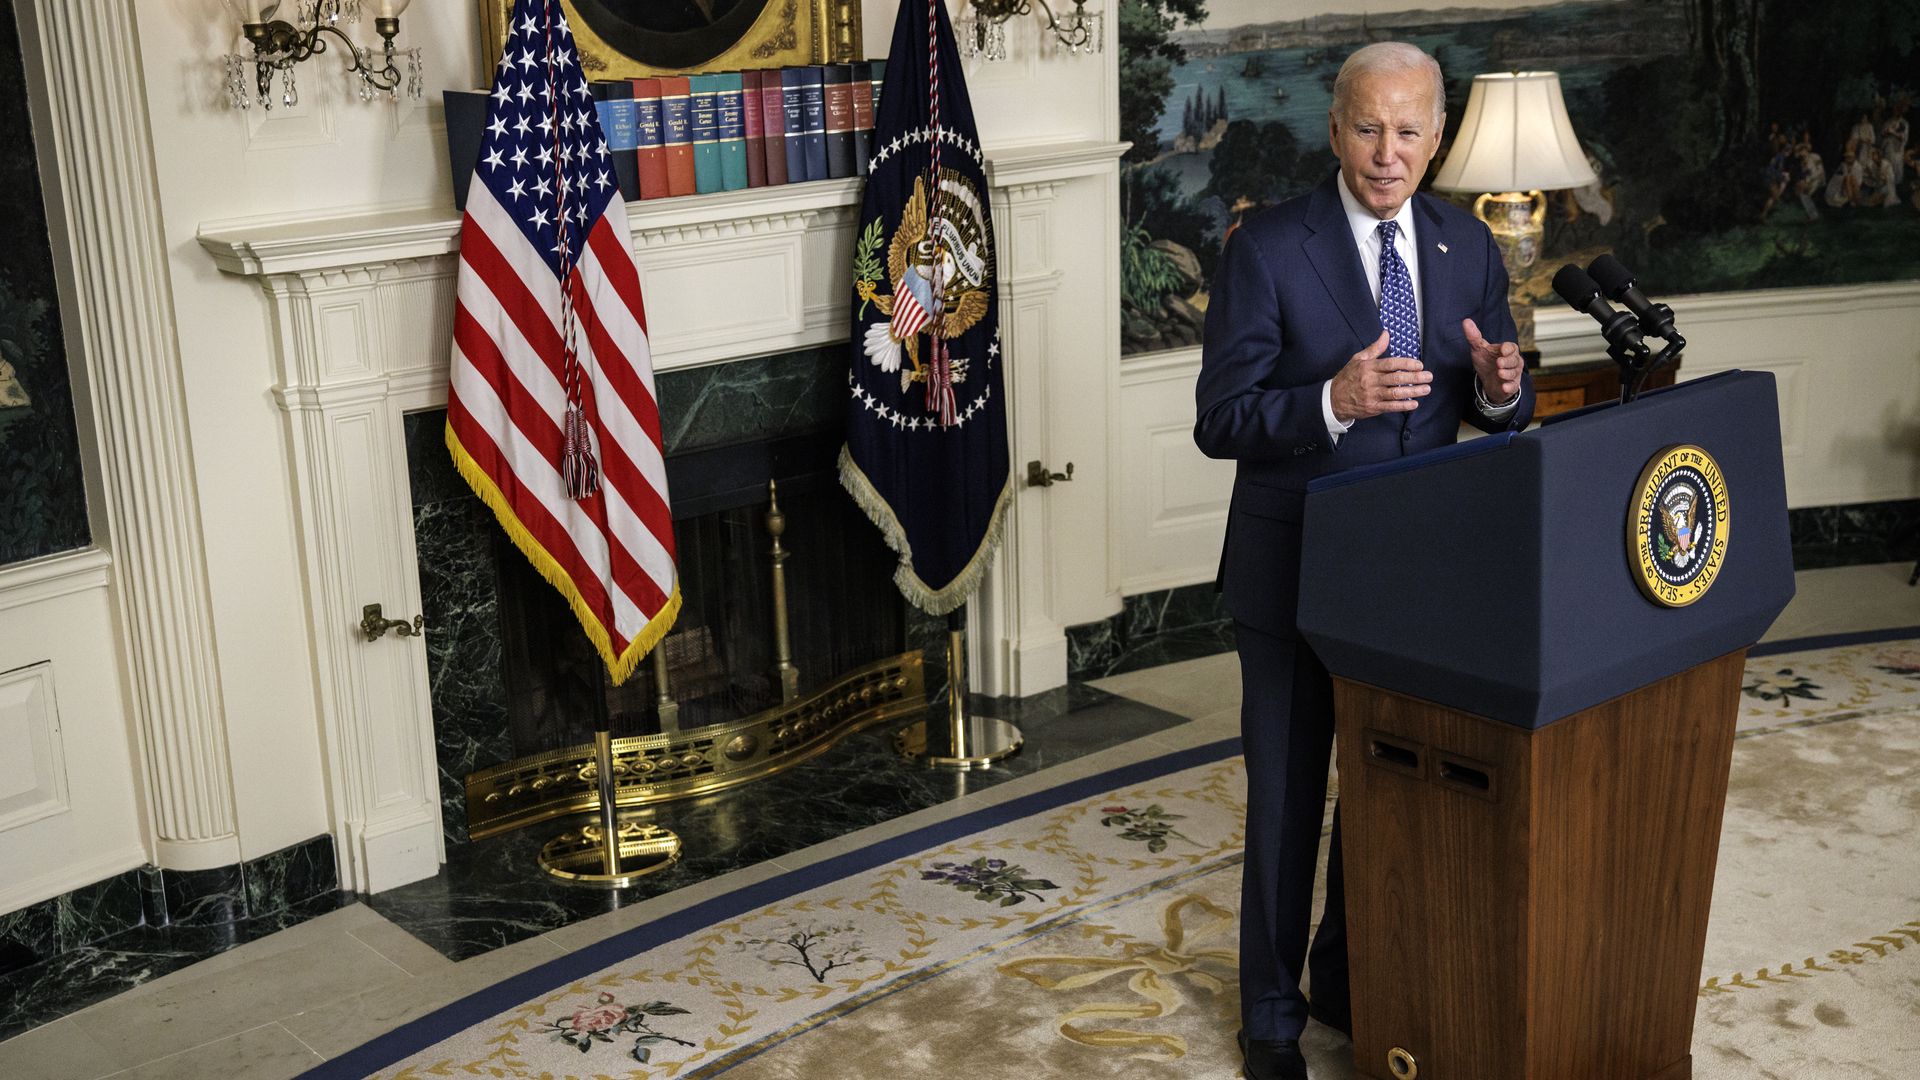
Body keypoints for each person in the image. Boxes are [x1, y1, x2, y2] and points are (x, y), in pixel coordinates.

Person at [1193, 40, 1533, 1080]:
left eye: (1410, 132)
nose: (1388, 153)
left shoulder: (1465, 246)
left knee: (1385, 791)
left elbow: (1488, 400)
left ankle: (1344, 978)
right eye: (1369, 128)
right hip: (1292, 567)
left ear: (1436, 139)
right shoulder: (1266, 247)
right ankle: (1270, 1020)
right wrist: (1330, 404)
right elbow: (1222, 420)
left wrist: (1503, 386)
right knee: (1289, 801)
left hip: (1411, 574)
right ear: (1335, 129)